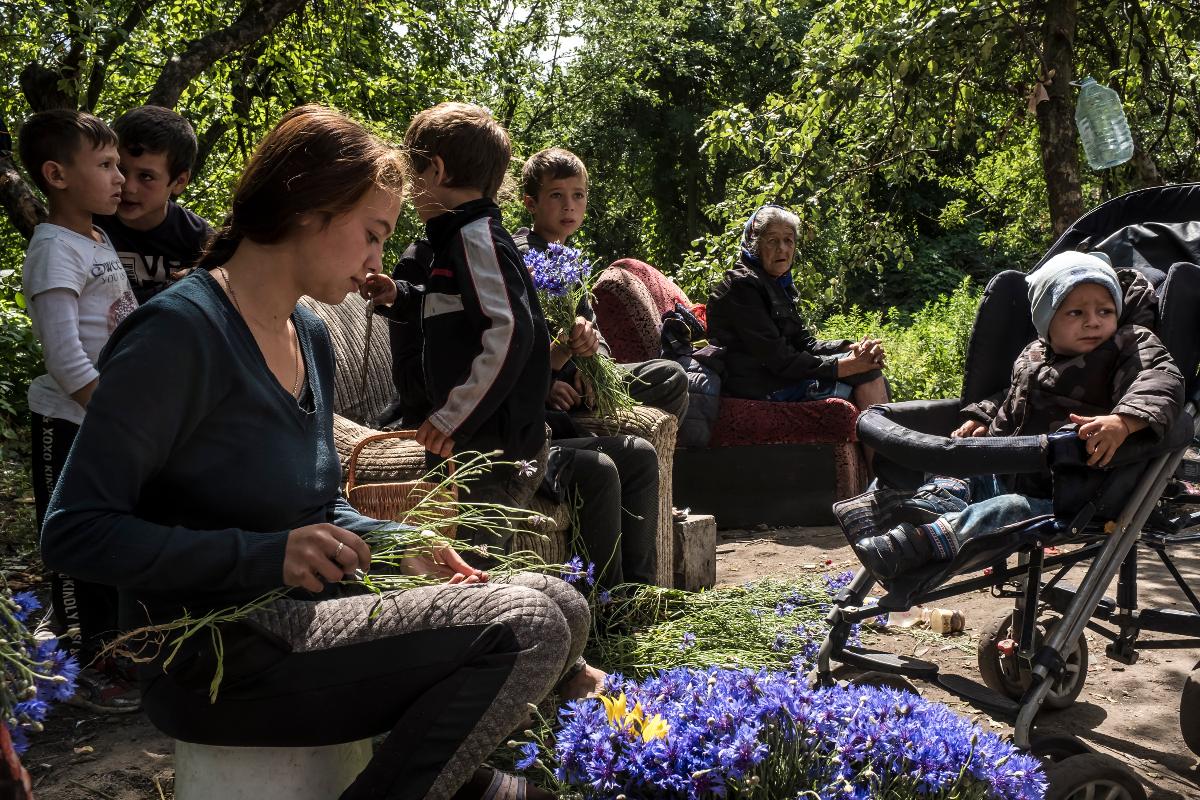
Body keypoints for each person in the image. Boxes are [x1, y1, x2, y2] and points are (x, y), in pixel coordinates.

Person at [41, 104, 589, 800]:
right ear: (310, 208)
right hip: (217, 658)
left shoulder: (309, 332)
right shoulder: (177, 336)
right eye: (371, 234)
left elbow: (316, 503)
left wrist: (394, 543)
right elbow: (74, 532)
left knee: (557, 599)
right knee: (529, 625)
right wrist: (265, 555)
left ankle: (455, 783)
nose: (376, 262)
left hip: (303, 620)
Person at [853, 252, 1184, 581]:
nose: (1093, 321)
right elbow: (1011, 397)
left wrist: (1124, 421)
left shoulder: (1130, 344)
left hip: (1067, 489)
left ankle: (921, 542)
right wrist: (983, 417)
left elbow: (1158, 381)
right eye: (1076, 312)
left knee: (1005, 513)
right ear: (1047, 320)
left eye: (1105, 310)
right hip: (1006, 465)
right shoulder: (1033, 354)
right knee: (955, 463)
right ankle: (927, 505)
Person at [17, 108, 140, 712]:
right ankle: (77, 665)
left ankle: (110, 647)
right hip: (68, 423)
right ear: (56, 175)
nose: (121, 177)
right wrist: (117, 415)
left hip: (106, 419)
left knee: (111, 537)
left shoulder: (98, 238)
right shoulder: (52, 249)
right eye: (107, 165)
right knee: (72, 543)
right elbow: (66, 357)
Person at [512, 147, 689, 424]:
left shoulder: (566, 258)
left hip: (583, 380)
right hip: (547, 383)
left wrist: (596, 364)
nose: (569, 205)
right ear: (531, 203)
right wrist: (546, 384)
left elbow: (593, 328)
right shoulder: (522, 257)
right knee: (671, 377)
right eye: (556, 195)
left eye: (578, 195)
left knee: (671, 375)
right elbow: (517, 338)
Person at [706, 204, 889, 411]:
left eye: (788, 240)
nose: (782, 248)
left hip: (779, 376)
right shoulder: (742, 286)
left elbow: (803, 342)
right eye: (772, 240)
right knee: (865, 375)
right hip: (759, 384)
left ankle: (876, 443)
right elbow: (778, 358)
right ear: (754, 245)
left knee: (869, 369)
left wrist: (852, 349)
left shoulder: (778, 284)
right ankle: (883, 444)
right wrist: (845, 366)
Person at [96, 105, 213, 303]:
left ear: (179, 182)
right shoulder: (90, 225)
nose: (128, 187)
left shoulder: (199, 240)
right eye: (121, 169)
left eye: (146, 176)